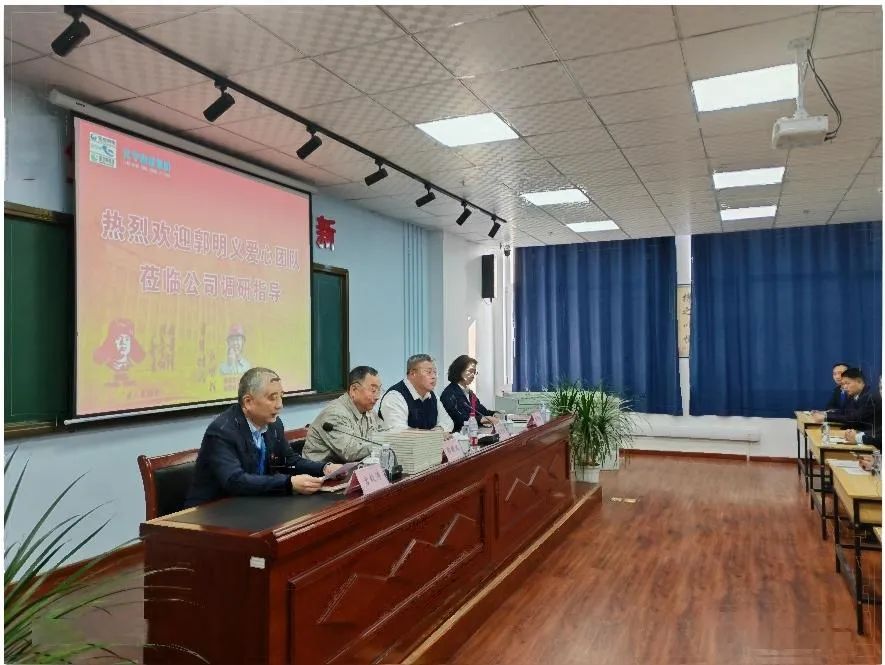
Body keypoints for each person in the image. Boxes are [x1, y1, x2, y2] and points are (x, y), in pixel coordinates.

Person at [185, 367, 341, 507]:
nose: (280, 405)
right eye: (272, 398)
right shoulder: (222, 431)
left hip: (252, 503)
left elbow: (289, 461)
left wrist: (324, 468)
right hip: (212, 511)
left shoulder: (274, 424)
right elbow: (234, 480)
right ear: (248, 402)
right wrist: (288, 483)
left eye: (281, 397)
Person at [302, 366, 384, 463]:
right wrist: (385, 442)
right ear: (354, 390)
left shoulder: (368, 410)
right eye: (373, 390)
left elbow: (383, 432)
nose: (377, 396)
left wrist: (390, 438)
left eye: (379, 390)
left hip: (351, 467)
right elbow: (350, 452)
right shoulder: (335, 414)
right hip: (322, 470)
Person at [378, 354, 454, 433]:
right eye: (428, 372)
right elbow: (399, 431)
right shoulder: (395, 396)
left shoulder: (432, 395)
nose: (434, 376)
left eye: (435, 372)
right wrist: (434, 434)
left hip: (428, 441)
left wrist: (438, 430)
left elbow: (448, 423)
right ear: (412, 374)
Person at [440, 355, 500, 433]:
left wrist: (494, 414)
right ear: (459, 370)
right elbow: (459, 420)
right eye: (470, 371)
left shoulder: (469, 393)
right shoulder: (449, 394)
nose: (473, 375)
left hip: (473, 433)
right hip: (458, 436)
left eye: (474, 372)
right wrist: (481, 419)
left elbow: (482, 411)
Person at [811, 368, 876, 429]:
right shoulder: (853, 395)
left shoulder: (870, 396)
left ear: (859, 381)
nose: (845, 387)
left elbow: (855, 418)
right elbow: (845, 412)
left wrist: (826, 417)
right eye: (843, 384)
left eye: (847, 383)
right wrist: (824, 413)